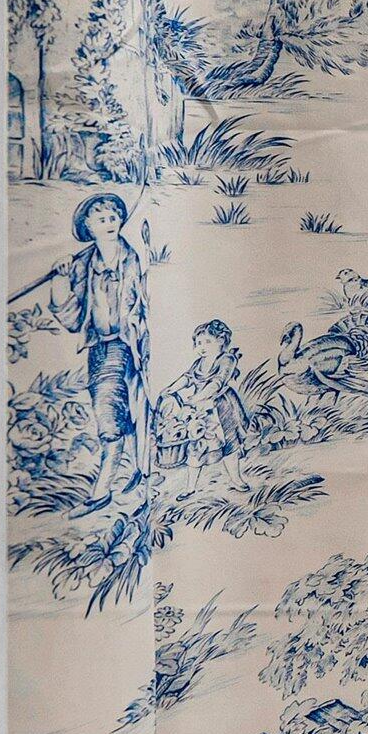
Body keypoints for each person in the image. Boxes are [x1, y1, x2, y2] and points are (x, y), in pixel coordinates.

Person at [59, 191, 149, 507]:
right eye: (101, 219)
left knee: (117, 414)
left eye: (113, 217)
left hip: (128, 347)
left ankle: (104, 489)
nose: (109, 223)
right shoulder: (83, 265)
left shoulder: (131, 259)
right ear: (88, 226)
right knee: (112, 411)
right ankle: (136, 472)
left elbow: (137, 306)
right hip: (99, 348)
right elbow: (73, 320)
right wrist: (61, 283)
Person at [160, 319, 255, 497]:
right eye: (198, 343)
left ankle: (236, 479)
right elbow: (187, 378)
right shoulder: (199, 363)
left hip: (222, 407)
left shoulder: (227, 359)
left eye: (207, 342)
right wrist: (172, 388)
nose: (202, 346)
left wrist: (197, 397)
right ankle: (190, 487)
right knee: (196, 446)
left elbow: (217, 383)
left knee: (230, 445)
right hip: (201, 411)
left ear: (220, 341)